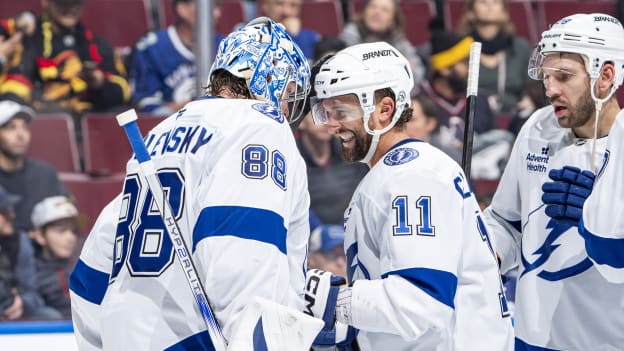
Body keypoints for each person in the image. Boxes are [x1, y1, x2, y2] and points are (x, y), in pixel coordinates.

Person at [69, 17, 313, 350]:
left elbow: (90, 275)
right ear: (266, 80)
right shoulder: (260, 125)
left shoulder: (160, 133)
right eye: (288, 93)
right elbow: (244, 252)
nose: (287, 108)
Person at [305, 41, 513, 350]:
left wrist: (330, 298)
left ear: (385, 109)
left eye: (342, 111)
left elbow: (420, 303)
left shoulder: (412, 177)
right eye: (326, 112)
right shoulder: (398, 173)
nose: (333, 125)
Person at [482, 13, 624, 350]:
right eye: (546, 76)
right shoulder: (538, 127)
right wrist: (483, 253)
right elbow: (507, 220)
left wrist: (598, 220)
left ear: (605, 76)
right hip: (531, 339)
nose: (550, 90)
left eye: (563, 76)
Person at [0, 0, 129, 115]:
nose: (70, 8)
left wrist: (100, 83)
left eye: (76, 3)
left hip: (85, 121)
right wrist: (19, 22)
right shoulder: (29, 34)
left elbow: (124, 90)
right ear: (45, 2)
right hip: (36, 120)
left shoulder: (97, 45)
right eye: (62, 2)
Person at [129, 0, 225, 116]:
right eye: (211, 7)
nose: (217, 14)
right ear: (182, 9)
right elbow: (148, 107)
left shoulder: (228, 45)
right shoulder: (152, 47)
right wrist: (195, 104)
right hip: (169, 129)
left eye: (218, 7)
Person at [0, 99, 67, 234]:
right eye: (10, 127)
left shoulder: (44, 173)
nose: (21, 135)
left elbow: (66, 219)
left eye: (25, 127)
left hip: (41, 253)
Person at [456, 0, 531, 114]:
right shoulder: (459, 49)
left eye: (495, 2)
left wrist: (530, 101)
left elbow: (534, 88)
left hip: (514, 116)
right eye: (483, 2)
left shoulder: (520, 48)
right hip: (473, 116)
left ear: (504, 12)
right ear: (470, 12)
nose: (489, 5)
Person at [0, 184, 56, 320]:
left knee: (49, 316)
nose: (12, 216)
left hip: (12, 313)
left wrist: (21, 303)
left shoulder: (18, 241)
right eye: (4, 211)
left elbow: (32, 294)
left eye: (11, 209)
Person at [339, 0, 425, 87]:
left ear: (392, 20)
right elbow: (355, 74)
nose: (377, 12)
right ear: (364, 11)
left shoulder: (398, 39)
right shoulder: (351, 33)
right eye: (373, 7)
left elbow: (418, 73)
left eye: (385, 10)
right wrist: (398, 67)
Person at [31, 195, 79, 318]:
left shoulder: (86, 263)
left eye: (74, 231)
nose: (70, 238)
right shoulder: (31, 272)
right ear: (40, 236)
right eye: (61, 230)